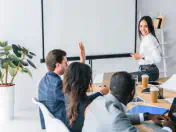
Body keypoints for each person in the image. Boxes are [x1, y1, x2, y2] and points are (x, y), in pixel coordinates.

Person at [82, 72, 176, 132]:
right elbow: (118, 119)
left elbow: (120, 117)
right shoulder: (116, 118)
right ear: (132, 92)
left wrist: (147, 116)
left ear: (110, 89)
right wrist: (168, 128)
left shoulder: (98, 101)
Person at [38, 42, 86, 129]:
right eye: (65, 63)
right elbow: (74, 98)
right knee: (84, 105)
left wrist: (82, 61)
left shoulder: (45, 79)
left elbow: (67, 85)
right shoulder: (57, 84)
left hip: (51, 121)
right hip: (62, 123)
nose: (67, 65)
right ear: (58, 65)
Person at [62, 62, 109, 132]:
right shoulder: (90, 107)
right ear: (85, 82)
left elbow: (84, 100)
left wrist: (100, 93)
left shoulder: (68, 94)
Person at [131, 16, 162, 81]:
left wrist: (141, 56)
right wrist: (139, 56)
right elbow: (148, 55)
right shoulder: (146, 38)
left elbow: (158, 58)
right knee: (126, 77)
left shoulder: (149, 39)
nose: (142, 29)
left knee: (127, 78)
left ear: (150, 26)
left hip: (150, 73)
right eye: (141, 26)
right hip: (145, 71)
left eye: (145, 26)